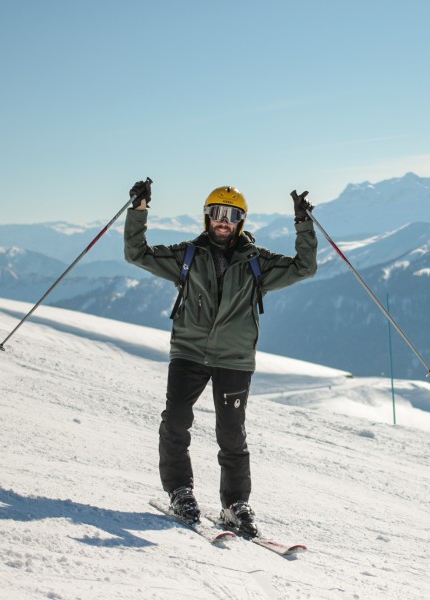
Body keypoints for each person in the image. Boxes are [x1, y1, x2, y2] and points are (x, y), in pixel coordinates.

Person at [124, 181, 316, 537]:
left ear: (241, 221)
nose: (223, 221)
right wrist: (139, 211)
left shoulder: (258, 263)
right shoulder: (188, 256)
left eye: (231, 215)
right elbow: (138, 254)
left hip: (235, 359)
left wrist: (303, 223)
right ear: (207, 216)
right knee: (176, 421)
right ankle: (180, 492)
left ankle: (235, 504)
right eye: (217, 213)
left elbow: (304, 268)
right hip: (189, 352)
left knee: (232, 434)